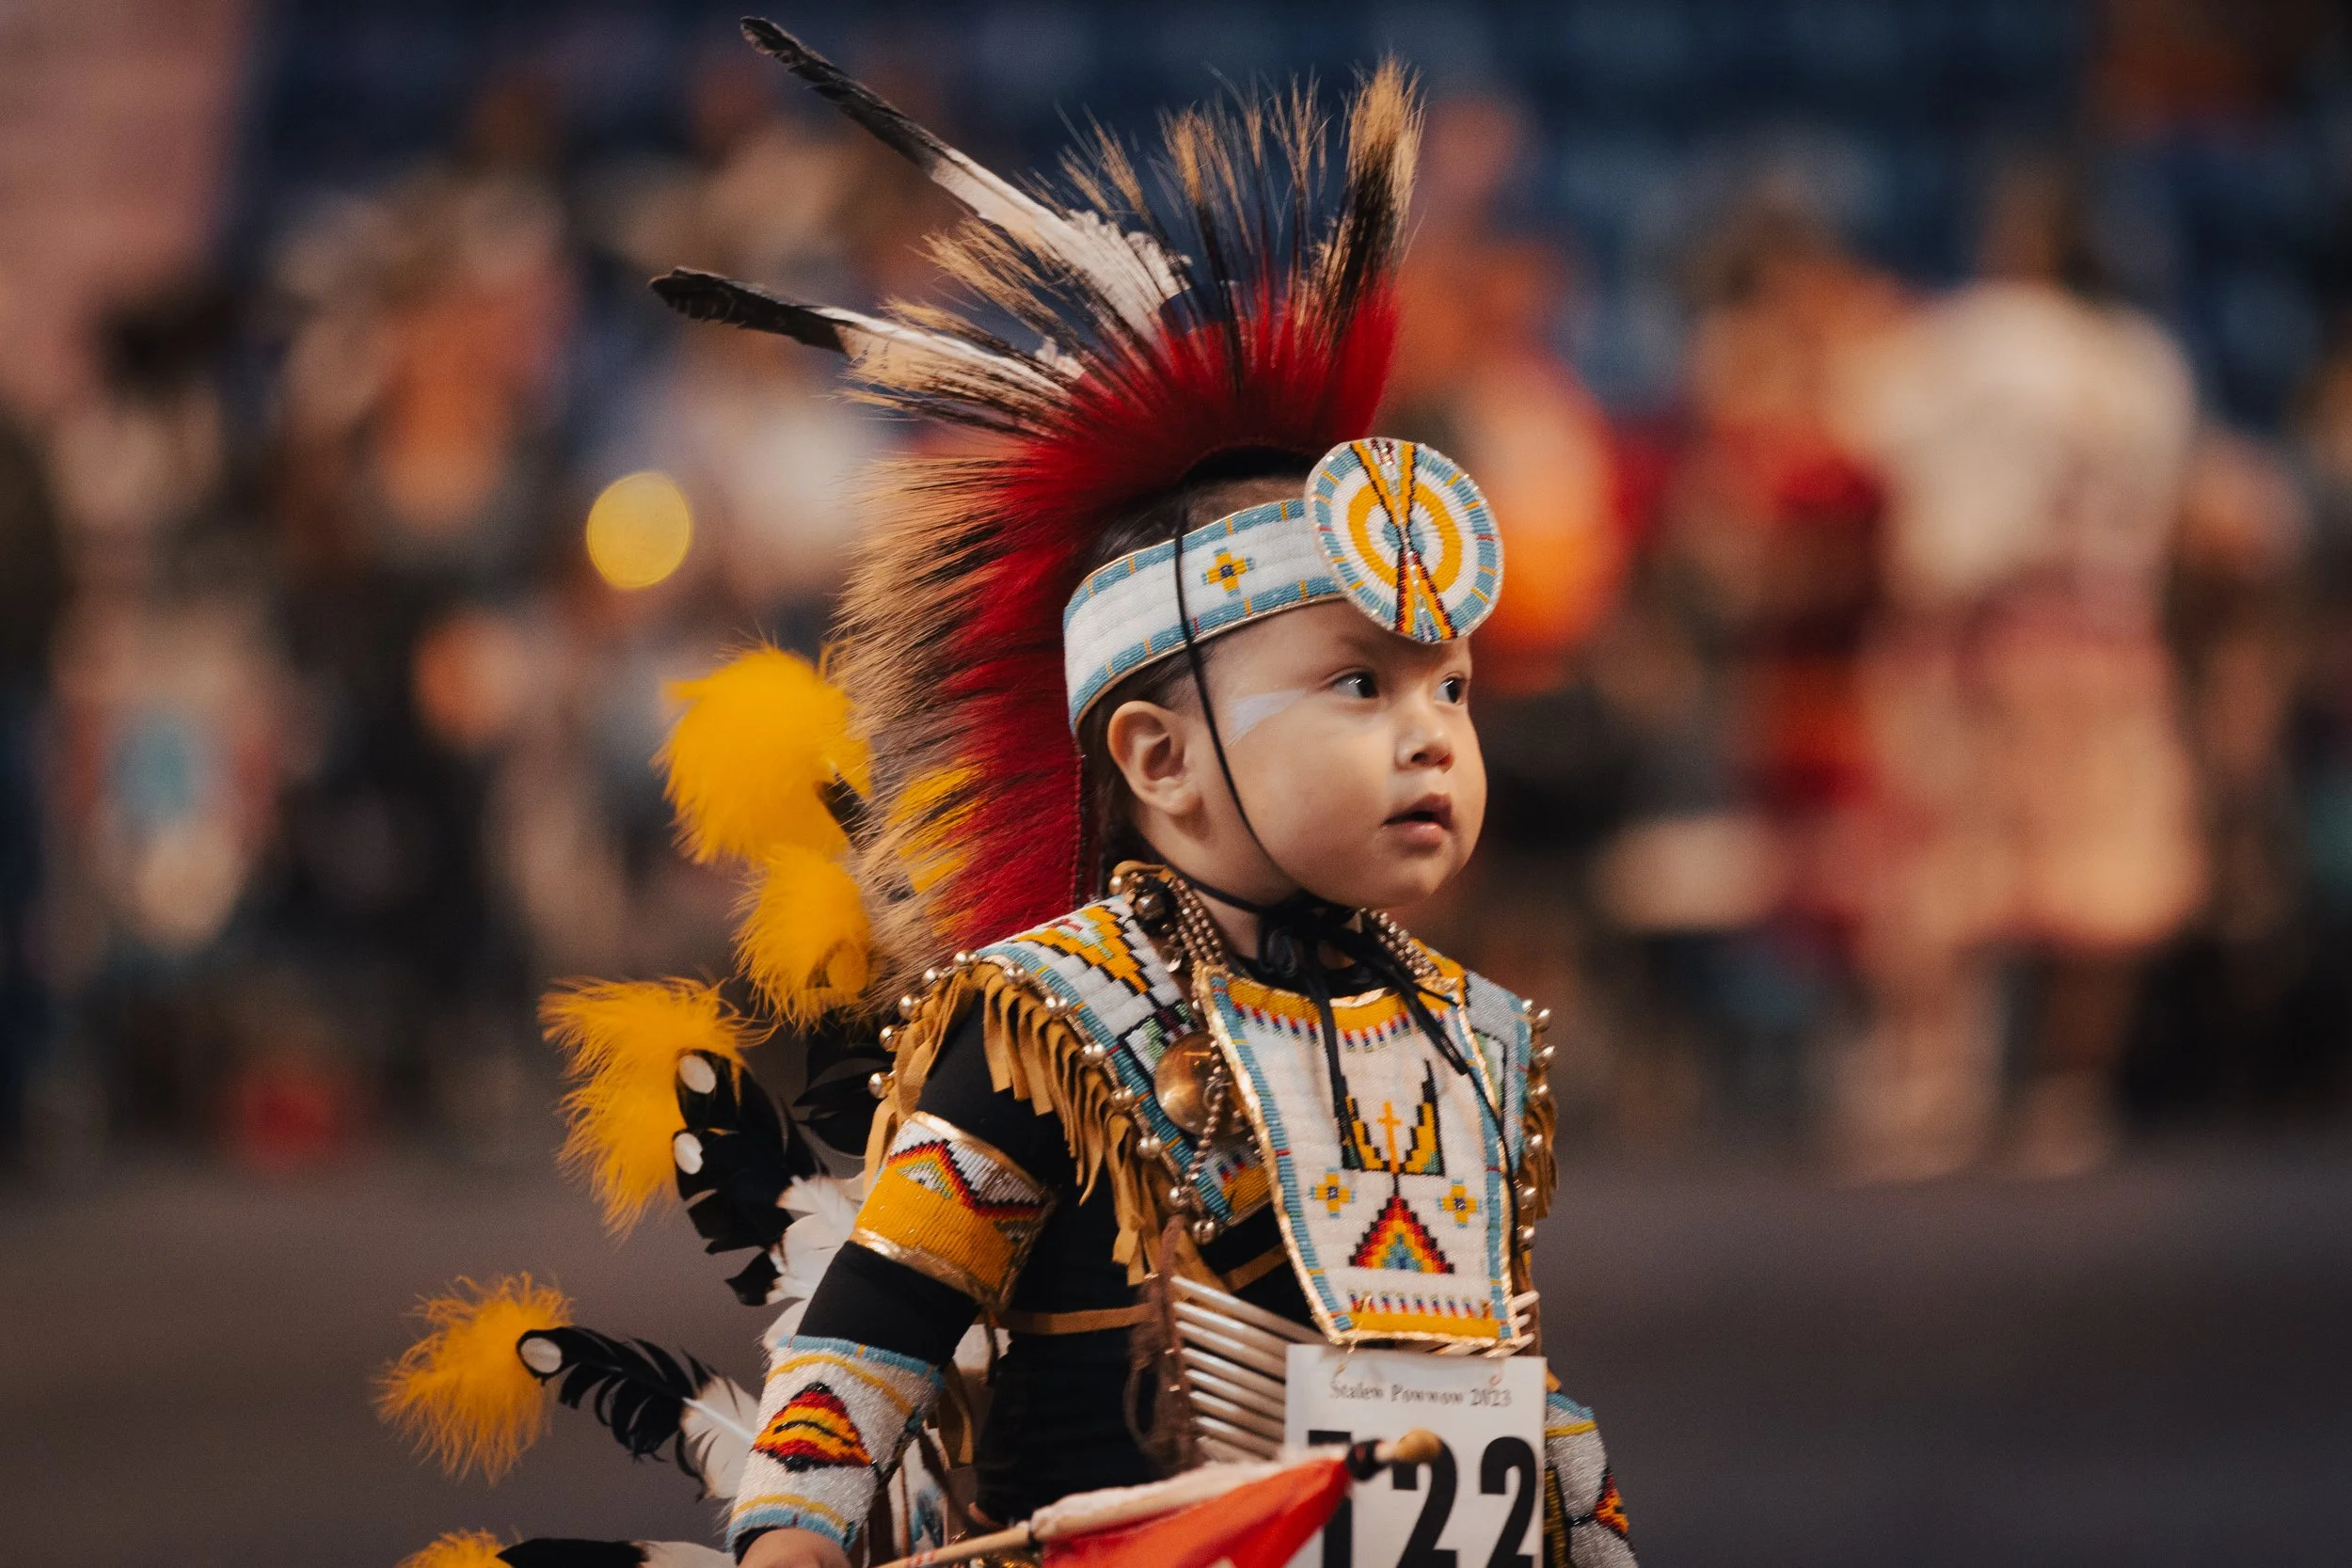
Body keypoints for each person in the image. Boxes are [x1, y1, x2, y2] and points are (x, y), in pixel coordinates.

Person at [374, 24, 1633, 1568]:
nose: (1433, 733)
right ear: (1159, 759)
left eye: (1451, 688)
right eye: (1359, 685)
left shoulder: (1466, 1038)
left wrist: (1593, 1525)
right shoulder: (1049, 1025)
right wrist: (790, 1534)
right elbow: (877, 1326)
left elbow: (1502, 1382)